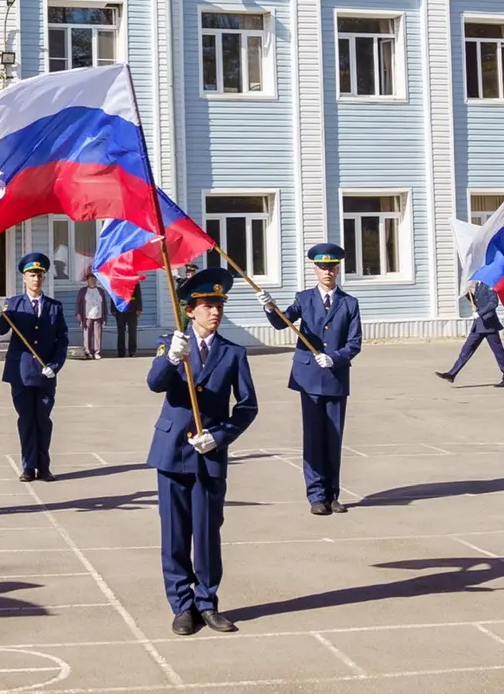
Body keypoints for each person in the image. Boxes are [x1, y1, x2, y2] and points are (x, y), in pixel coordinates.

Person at [149, 267, 259, 635]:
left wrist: (221, 435)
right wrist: (169, 359)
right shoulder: (172, 343)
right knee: (175, 534)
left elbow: (247, 406)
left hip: (209, 453)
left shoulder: (233, 352)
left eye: (219, 306)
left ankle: (207, 601)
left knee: (208, 532)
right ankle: (182, 605)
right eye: (208, 305)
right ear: (191, 309)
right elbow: (154, 384)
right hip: (172, 451)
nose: (215, 312)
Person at [265, 242, 363, 515]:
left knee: (334, 439)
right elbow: (282, 322)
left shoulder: (349, 303)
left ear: (338, 269)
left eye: (332, 267)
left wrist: (336, 357)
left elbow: (355, 343)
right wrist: (270, 308)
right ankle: (316, 496)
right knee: (313, 438)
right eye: (322, 267)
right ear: (315, 269)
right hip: (308, 378)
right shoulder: (304, 298)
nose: (327, 272)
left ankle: (333, 495)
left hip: (335, 377)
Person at [0, 253, 68, 481]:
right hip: (21, 374)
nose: (36, 279)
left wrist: (55, 366)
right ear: (24, 278)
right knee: (26, 420)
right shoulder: (13, 304)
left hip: (46, 374)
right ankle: (28, 466)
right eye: (31, 275)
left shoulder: (54, 307)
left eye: (39, 275)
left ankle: (44, 467)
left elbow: (62, 340)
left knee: (43, 421)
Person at [437, 278, 504, 387]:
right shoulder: (478, 286)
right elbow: (477, 301)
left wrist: (480, 313)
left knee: (498, 352)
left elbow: (493, 303)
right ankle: (452, 373)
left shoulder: (489, 285)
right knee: (466, 349)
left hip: (489, 325)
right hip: (478, 325)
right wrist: (467, 294)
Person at [75, 269, 107, 360]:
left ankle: (97, 352)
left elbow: (104, 303)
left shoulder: (100, 291)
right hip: (87, 316)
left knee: (97, 335)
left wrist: (105, 315)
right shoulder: (83, 291)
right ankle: (88, 352)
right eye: (90, 279)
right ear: (87, 281)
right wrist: (78, 313)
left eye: (94, 279)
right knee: (87, 335)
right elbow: (78, 303)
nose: (92, 280)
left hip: (98, 316)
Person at [114, 281, 145, 358]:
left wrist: (139, 309)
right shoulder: (117, 281)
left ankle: (132, 351)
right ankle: (121, 352)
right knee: (120, 331)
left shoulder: (134, 281)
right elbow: (114, 295)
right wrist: (113, 309)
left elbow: (138, 295)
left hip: (132, 308)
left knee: (132, 331)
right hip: (120, 308)